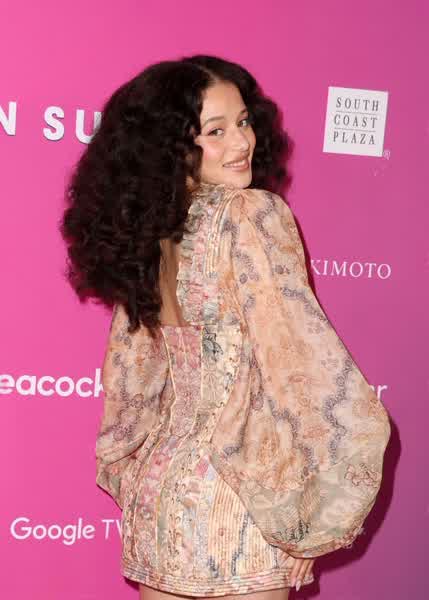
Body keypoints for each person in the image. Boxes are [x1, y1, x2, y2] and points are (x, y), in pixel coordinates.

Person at [60, 55, 391, 600]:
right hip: (238, 500)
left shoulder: (154, 235)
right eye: (215, 132)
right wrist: (316, 511)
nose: (241, 142)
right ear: (171, 148)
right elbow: (300, 366)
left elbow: (132, 381)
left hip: (159, 491)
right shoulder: (250, 214)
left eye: (243, 122)